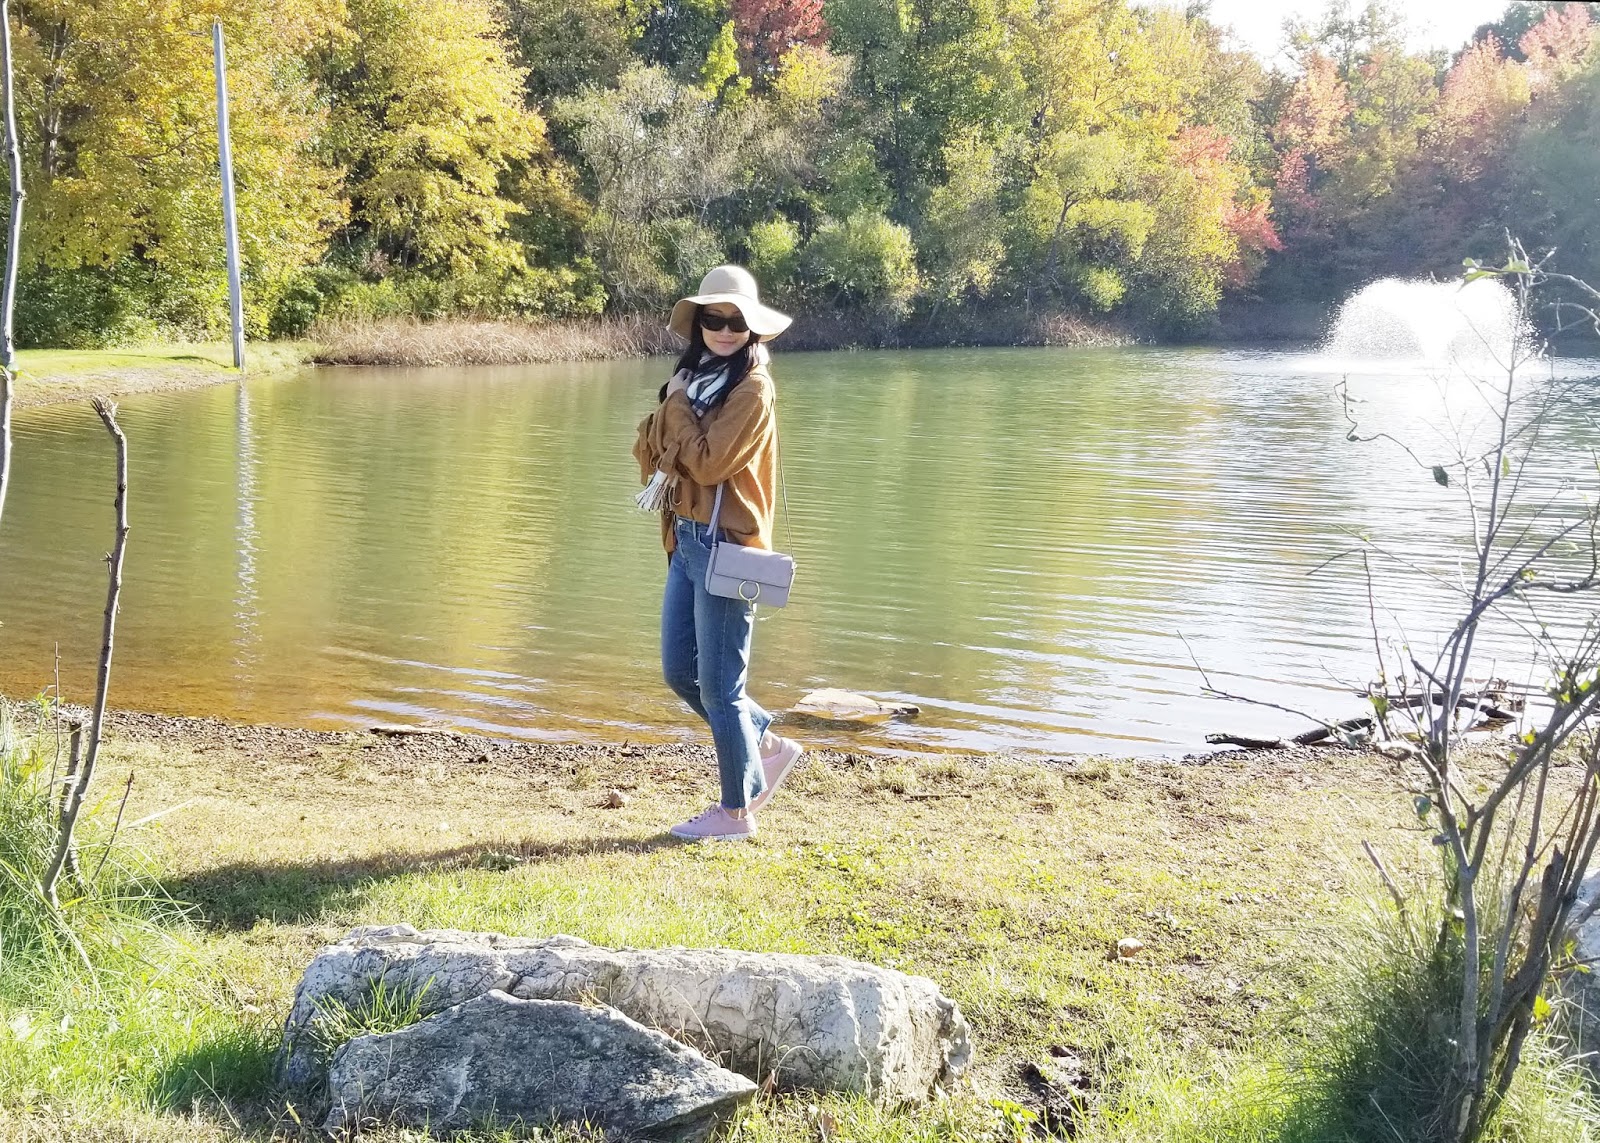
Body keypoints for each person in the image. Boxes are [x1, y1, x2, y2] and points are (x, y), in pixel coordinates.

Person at [633, 265, 804, 841]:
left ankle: (735, 814)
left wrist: (676, 407)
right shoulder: (694, 378)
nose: (725, 330)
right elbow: (646, 444)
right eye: (714, 318)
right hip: (686, 537)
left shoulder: (752, 389)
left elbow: (707, 463)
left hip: (726, 544)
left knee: (721, 687)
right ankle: (768, 745)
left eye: (737, 321)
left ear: (752, 327)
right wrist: (675, 407)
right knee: (681, 672)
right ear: (699, 323)